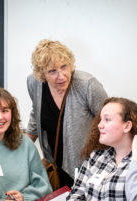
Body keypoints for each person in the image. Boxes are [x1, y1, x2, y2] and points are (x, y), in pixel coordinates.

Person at [26, 39, 108, 188]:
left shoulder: (87, 85)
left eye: (64, 67)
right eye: (52, 71)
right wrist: (20, 145)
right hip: (55, 167)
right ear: (42, 74)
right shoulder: (34, 83)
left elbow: (109, 120)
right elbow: (36, 112)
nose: (62, 76)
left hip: (88, 167)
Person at [0, 87, 52, 201]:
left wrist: (23, 197)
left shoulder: (25, 144)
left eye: (5, 110)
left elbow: (44, 186)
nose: (0, 117)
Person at [65, 97, 137, 201]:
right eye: (101, 119)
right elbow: (75, 195)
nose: (99, 125)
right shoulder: (95, 157)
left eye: (107, 120)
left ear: (127, 126)